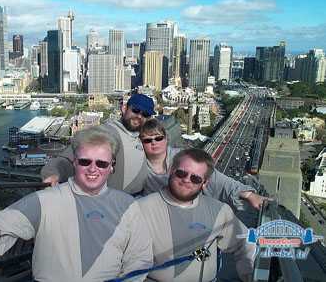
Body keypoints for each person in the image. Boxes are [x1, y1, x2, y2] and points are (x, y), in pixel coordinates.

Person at [0, 126, 153, 282]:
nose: (93, 169)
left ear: (111, 166)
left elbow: (140, 257)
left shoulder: (127, 205)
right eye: (85, 161)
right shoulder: (43, 201)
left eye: (101, 163)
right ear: (74, 162)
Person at [138, 148, 254, 282]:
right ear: (171, 171)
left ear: (204, 183)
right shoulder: (141, 209)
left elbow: (246, 241)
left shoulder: (219, 210)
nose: (187, 180)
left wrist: (249, 274)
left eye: (195, 178)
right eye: (181, 173)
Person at [41, 93, 155, 194]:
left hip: (136, 202)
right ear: (124, 108)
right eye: (135, 110)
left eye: (145, 114)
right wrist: (53, 173)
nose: (139, 116)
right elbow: (70, 157)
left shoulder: (145, 136)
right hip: (113, 203)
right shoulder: (108, 132)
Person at [139, 118, 266, 209]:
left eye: (158, 138)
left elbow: (216, 178)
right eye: (147, 140)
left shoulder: (184, 157)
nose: (154, 143)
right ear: (141, 143)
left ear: (166, 139)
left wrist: (248, 194)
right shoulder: (137, 166)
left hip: (192, 212)